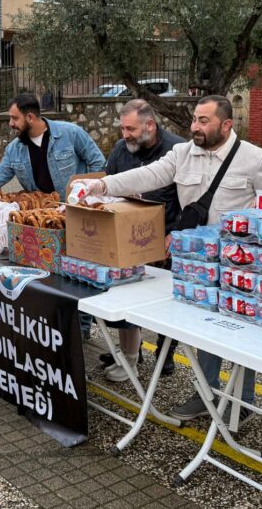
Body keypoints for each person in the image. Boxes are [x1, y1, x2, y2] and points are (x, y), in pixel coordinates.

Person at [83, 95, 262, 423]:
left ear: (226, 124)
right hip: (195, 262)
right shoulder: (182, 154)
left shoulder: (255, 159)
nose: (194, 127)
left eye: (203, 121)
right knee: (201, 329)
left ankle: (243, 401)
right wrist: (102, 184)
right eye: (194, 119)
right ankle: (206, 393)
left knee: (240, 331)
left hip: (241, 264)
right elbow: (147, 177)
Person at [98, 100, 183, 382]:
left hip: (169, 237)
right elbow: (109, 185)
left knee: (169, 304)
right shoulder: (122, 150)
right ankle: (130, 354)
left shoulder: (177, 150)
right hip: (132, 239)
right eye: (123, 128)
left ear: (150, 125)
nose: (125, 135)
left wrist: (179, 233)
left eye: (131, 128)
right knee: (127, 297)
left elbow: (191, 200)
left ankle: (166, 352)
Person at [0, 92, 106, 201]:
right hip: (42, 213)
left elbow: (97, 162)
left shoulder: (71, 133)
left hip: (74, 208)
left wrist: (85, 194)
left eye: (15, 118)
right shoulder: (14, 149)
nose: (10, 123)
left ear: (30, 117)